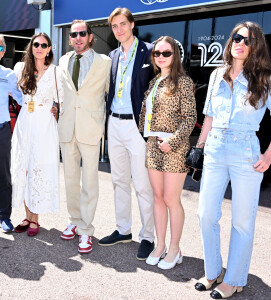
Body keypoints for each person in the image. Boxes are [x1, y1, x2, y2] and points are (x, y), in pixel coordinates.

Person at [195, 22, 271, 299]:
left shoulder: (266, 80)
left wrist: (269, 153)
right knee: (206, 214)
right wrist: (199, 147)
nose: (240, 43)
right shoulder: (216, 75)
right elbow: (209, 116)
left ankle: (234, 279)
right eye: (237, 38)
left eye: (247, 40)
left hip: (246, 150)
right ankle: (213, 271)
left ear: (256, 46)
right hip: (215, 148)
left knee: (242, 221)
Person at [98, 7, 155, 261]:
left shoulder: (150, 51)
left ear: (132, 24)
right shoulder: (112, 55)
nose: (119, 29)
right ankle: (123, 229)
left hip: (136, 126)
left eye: (123, 24)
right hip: (115, 124)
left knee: (142, 184)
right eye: (114, 26)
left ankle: (148, 236)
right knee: (119, 180)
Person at [139, 36, 196, 269]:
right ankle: (160, 245)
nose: (161, 57)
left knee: (172, 199)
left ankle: (175, 249)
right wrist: (148, 135)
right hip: (153, 146)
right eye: (157, 53)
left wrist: (172, 141)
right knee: (158, 198)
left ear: (176, 56)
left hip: (175, 147)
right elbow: (145, 113)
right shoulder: (153, 83)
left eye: (166, 53)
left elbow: (191, 118)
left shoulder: (183, 82)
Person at [58, 20, 111, 254]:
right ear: (69, 38)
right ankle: (74, 219)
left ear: (91, 36)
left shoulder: (105, 63)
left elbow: (112, 94)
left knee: (90, 181)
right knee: (70, 179)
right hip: (67, 127)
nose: (77, 37)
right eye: (73, 34)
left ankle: (86, 230)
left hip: (91, 128)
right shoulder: (62, 60)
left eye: (82, 33)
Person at [11, 32, 62, 236]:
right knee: (23, 167)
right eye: (36, 44)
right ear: (31, 48)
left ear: (49, 49)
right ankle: (26, 215)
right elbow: (14, 92)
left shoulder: (56, 72)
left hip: (44, 123)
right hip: (25, 121)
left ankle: (36, 219)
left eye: (44, 45)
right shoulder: (20, 68)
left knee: (38, 168)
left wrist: (56, 109)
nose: (39, 48)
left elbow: (62, 98)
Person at [0, 35, 23, 233]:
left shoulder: (8, 74)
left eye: (0, 47)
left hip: (2, 129)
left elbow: (22, 99)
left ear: (3, 51)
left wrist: (13, 93)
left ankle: (4, 217)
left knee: (4, 175)